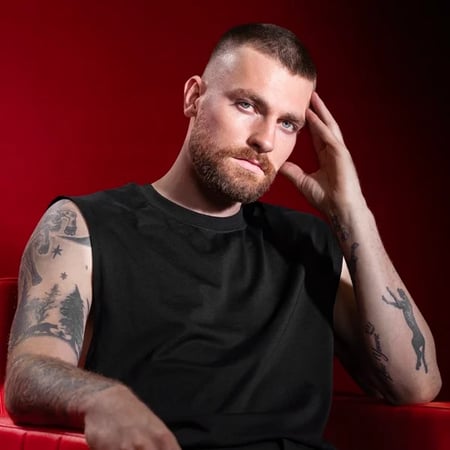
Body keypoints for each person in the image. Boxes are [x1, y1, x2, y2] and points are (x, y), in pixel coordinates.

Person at [5, 23, 441, 450]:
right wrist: (104, 399)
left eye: (288, 124)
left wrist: (353, 213)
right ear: (194, 97)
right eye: (247, 105)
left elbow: (415, 385)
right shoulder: (83, 225)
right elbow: (28, 372)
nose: (265, 140)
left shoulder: (310, 243)